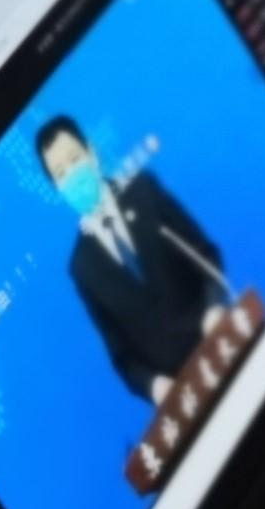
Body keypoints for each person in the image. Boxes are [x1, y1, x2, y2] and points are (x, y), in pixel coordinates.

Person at [35, 117, 232, 404]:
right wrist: (155, 386)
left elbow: (205, 254)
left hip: (219, 337)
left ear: (91, 153)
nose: (72, 175)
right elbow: (121, 355)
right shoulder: (81, 267)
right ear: (57, 188)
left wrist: (214, 308)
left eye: (74, 160)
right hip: (183, 392)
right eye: (61, 174)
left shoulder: (143, 191)